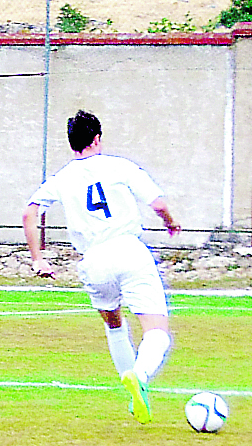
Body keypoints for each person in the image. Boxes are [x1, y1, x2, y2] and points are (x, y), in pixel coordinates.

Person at [22, 110, 181, 423]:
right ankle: (141, 376)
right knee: (157, 333)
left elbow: (30, 213)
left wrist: (38, 258)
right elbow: (158, 204)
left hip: (93, 261)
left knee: (114, 324)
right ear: (97, 138)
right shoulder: (119, 166)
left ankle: (135, 395)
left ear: (72, 144)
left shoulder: (62, 178)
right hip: (129, 251)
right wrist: (171, 223)